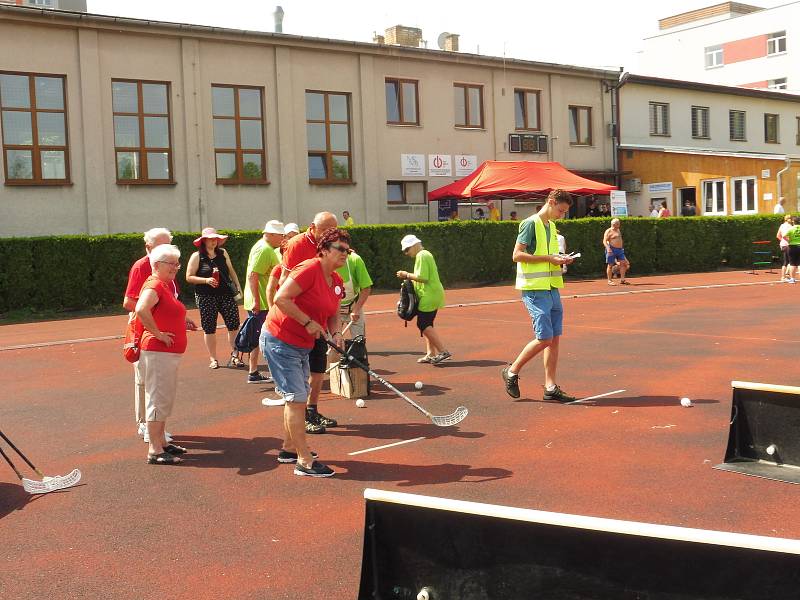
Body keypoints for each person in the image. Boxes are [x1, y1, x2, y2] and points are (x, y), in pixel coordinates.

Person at [262, 228, 351, 477]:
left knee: (297, 396)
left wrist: (337, 333)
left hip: (303, 344)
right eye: (340, 249)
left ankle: (290, 449)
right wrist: (308, 322)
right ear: (323, 250)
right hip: (281, 340)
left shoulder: (336, 280)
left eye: (348, 250)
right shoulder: (308, 269)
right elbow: (281, 298)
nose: (345, 253)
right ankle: (304, 460)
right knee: (297, 398)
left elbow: (333, 312)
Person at [501, 189, 576, 402]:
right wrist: (549, 259)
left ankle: (550, 387)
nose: (561, 215)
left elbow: (548, 256)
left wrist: (561, 259)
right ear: (551, 202)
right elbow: (516, 255)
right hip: (535, 288)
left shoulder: (551, 226)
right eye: (560, 210)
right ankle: (512, 371)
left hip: (551, 287)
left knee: (554, 340)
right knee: (545, 338)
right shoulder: (530, 223)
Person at [135, 244, 197, 464]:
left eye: (177, 264)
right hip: (157, 352)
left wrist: (182, 320)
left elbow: (165, 311)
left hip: (166, 353)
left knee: (163, 398)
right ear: (157, 264)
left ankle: (161, 442)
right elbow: (141, 309)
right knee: (158, 398)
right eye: (171, 263)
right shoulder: (155, 284)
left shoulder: (165, 285)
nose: (176, 268)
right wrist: (158, 333)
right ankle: (154, 449)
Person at [280, 211, 340, 434]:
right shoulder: (297, 245)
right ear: (312, 227)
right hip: (297, 320)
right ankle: (301, 417)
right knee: (299, 374)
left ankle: (312, 409)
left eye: (333, 230)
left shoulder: (333, 248)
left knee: (318, 368)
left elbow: (334, 293)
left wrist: (335, 331)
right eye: (325, 230)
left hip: (319, 318)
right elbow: (284, 284)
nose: (330, 234)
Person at [123, 227, 176, 444]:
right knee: (144, 379)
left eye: (168, 245)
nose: (166, 251)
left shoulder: (170, 265)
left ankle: (156, 428)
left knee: (160, 382)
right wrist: (154, 317)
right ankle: (145, 424)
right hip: (143, 328)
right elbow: (129, 302)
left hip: (162, 329)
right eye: (160, 246)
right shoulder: (142, 266)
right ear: (148, 248)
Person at [185, 227, 242, 369]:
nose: (213, 241)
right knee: (209, 328)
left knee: (233, 325)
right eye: (210, 239)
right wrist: (206, 280)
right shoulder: (197, 256)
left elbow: (231, 271)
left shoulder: (223, 253)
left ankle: (235, 356)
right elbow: (189, 277)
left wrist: (238, 286)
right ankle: (213, 358)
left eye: (215, 239)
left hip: (226, 294)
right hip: (206, 296)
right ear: (204, 241)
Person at [396, 234, 450, 364]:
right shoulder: (425, 254)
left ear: (413, 245)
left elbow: (423, 277)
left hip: (429, 294)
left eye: (407, 250)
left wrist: (406, 275)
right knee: (428, 324)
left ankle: (443, 351)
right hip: (433, 293)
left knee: (423, 324)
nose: (406, 253)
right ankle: (431, 353)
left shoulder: (422, 255)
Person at [243, 220, 285, 384]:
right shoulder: (264, 249)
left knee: (258, 336)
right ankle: (267, 371)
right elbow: (253, 274)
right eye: (280, 235)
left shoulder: (262, 246)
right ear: (272, 234)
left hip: (261, 300)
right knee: (269, 337)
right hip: (262, 302)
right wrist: (256, 300)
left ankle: (254, 372)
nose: (282, 238)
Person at [337, 250, 373, 339]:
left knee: (359, 342)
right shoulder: (324, 260)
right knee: (333, 346)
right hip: (333, 311)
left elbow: (366, 287)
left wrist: (356, 309)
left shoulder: (355, 259)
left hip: (354, 307)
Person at [603, 218, 630, 285]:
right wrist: (608, 248)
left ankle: (622, 280)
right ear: (614, 224)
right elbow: (604, 241)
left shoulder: (618, 230)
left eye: (619, 223)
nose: (619, 225)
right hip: (611, 249)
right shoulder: (608, 231)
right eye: (618, 224)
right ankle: (609, 280)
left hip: (620, 250)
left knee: (623, 264)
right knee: (610, 265)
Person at [777, 214, 794, 281]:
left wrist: (783, 241)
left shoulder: (781, 225)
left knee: (788, 261)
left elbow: (778, 236)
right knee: (789, 261)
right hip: (788, 245)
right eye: (791, 219)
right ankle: (783, 277)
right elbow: (789, 236)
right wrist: (788, 241)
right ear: (788, 219)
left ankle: (786, 275)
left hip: (783, 245)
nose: (792, 220)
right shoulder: (790, 226)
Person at [785, 216, 800, 284]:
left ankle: (792, 279)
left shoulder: (791, 228)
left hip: (792, 247)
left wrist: (789, 241)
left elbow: (783, 236)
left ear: (793, 222)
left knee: (792, 263)